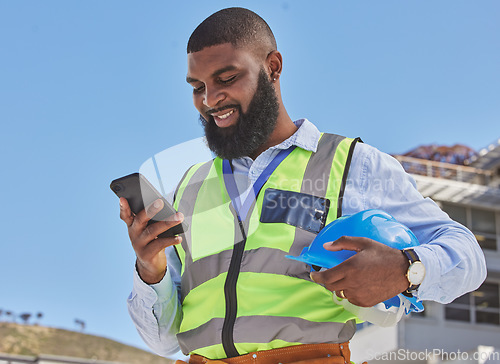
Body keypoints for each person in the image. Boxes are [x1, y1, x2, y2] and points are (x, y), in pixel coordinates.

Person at [119, 7, 486, 364]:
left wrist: (407, 268)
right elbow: (164, 340)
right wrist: (150, 269)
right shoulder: (187, 189)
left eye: (227, 79)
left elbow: (469, 256)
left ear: (273, 68)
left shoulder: (351, 164)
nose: (210, 100)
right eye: (198, 87)